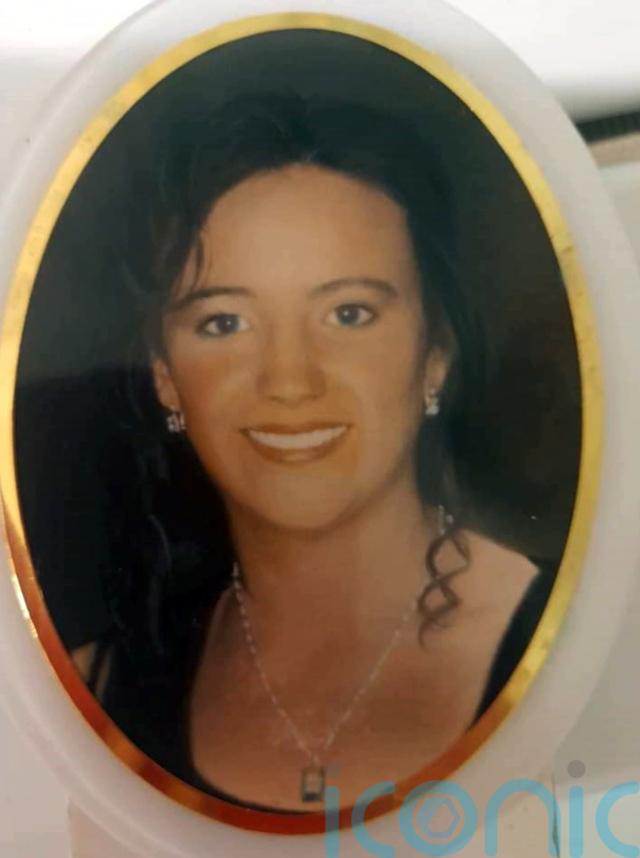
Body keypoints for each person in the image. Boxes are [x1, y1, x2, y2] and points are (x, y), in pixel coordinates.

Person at [74, 90, 554, 813]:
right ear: (166, 376)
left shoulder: (582, 645)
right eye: (225, 322)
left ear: (435, 354)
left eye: (348, 313)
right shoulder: (95, 689)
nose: (290, 381)